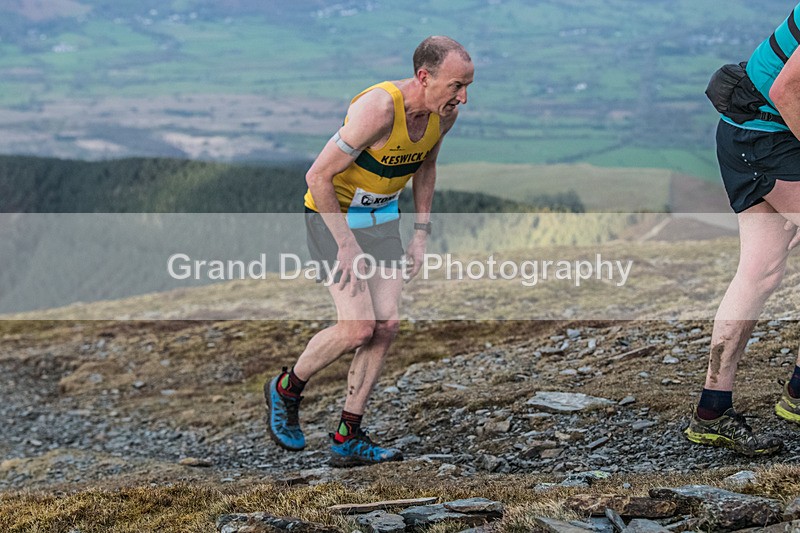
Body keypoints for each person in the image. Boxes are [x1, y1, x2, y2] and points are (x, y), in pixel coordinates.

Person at [264, 36, 474, 466]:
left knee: (387, 325)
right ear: (423, 76)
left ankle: (347, 436)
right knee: (358, 327)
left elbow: (426, 167)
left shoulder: (442, 115)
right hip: (333, 218)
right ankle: (286, 387)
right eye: (456, 86)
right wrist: (345, 245)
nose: (463, 98)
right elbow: (317, 176)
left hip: (381, 221)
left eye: (468, 86)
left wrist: (420, 234)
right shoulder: (378, 109)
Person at [684, 6, 800, 456]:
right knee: (758, 273)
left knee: (761, 272)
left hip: (747, 132)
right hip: (768, 138)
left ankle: (712, 411)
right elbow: (787, 88)